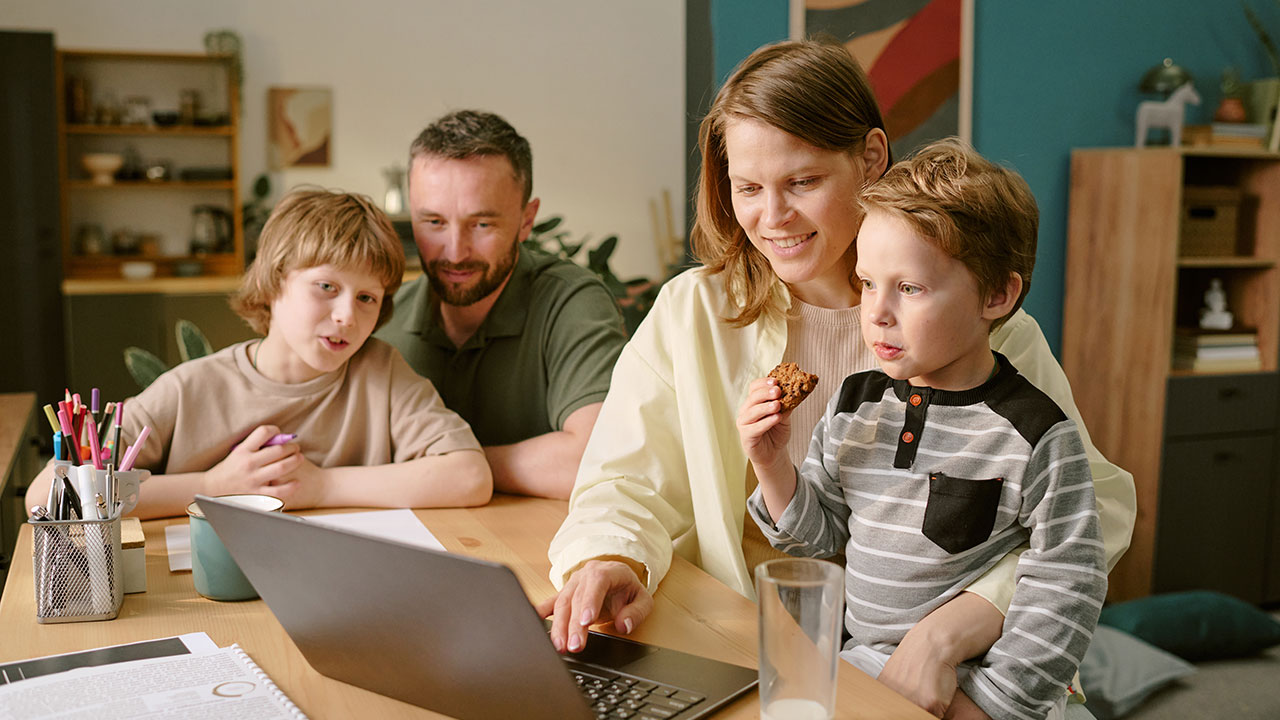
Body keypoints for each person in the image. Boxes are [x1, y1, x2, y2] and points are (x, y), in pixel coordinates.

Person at [540, 40, 1135, 719]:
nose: (772, 217)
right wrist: (611, 558)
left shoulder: (978, 326)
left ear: (872, 157)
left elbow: (1098, 505)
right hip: (756, 652)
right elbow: (624, 482)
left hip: (960, 666)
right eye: (748, 188)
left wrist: (951, 629)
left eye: (802, 182)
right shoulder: (691, 312)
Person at [739, 139, 1106, 720]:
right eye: (866, 283)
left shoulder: (1036, 433)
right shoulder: (854, 405)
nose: (877, 311)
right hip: (866, 666)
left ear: (997, 295)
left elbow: (1069, 581)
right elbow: (817, 538)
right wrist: (772, 465)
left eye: (909, 288)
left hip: (989, 683)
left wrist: (997, 702)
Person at [28, 188, 492, 520]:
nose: (347, 316)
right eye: (326, 287)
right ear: (274, 284)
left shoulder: (381, 372)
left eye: (367, 298)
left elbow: (470, 476)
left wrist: (321, 487)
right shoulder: (190, 388)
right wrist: (214, 488)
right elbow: (47, 495)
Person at [375, 110, 627, 500]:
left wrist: (449, 468)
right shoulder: (377, 318)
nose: (455, 252)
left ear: (527, 220)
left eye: (482, 225)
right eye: (434, 223)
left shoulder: (571, 301)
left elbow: (595, 461)